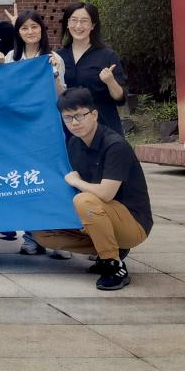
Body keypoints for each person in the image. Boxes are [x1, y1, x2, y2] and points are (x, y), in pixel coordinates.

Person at [32, 88, 154, 291]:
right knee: (42, 231)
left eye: (79, 115)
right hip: (99, 219)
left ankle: (113, 265)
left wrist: (76, 181)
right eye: (67, 118)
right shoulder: (74, 143)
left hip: (132, 224)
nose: (74, 123)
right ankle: (111, 249)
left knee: (84, 200)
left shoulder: (115, 145)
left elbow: (106, 193)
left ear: (94, 114)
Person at [0, 9, 70, 258]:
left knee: (52, 180)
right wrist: (0, 69)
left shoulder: (53, 58)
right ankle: (31, 237)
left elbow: (61, 96)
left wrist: (55, 74)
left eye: (34, 27)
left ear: (42, 29)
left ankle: (59, 239)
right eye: (24, 28)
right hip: (19, 129)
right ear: (18, 32)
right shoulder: (11, 57)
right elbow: (6, 93)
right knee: (27, 181)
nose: (30, 32)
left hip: (47, 127)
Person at [60, 1, 127, 136]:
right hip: (70, 130)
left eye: (84, 21)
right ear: (67, 24)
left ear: (93, 25)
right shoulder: (58, 57)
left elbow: (120, 99)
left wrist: (110, 81)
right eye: (74, 20)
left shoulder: (107, 55)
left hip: (103, 128)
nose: (78, 26)